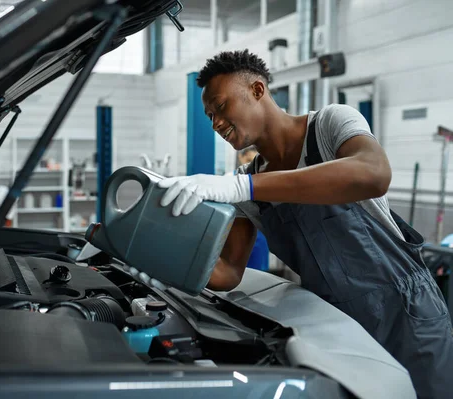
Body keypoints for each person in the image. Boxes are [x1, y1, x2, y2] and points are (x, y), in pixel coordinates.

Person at [157, 49, 453, 399]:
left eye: (220, 107)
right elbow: (227, 273)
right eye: (208, 116)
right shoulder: (246, 185)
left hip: (406, 312)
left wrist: (243, 187)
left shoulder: (329, 126)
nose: (215, 123)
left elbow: (374, 173)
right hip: (335, 326)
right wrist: (152, 249)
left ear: (256, 90)